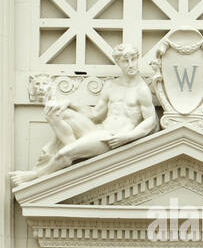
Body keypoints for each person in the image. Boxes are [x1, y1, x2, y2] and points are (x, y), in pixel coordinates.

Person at [10, 44, 157, 187]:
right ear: (118, 63)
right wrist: (68, 102)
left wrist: (127, 137)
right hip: (99, 130)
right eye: (126, 61)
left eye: (134, 59)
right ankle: (76, 152)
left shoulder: (141, 89)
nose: (131, 64)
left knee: (64, 153)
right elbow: (95, 114)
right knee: (53, 112)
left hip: (111, 138)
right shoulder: (111, 86)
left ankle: (37, 174)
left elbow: (150, 120)